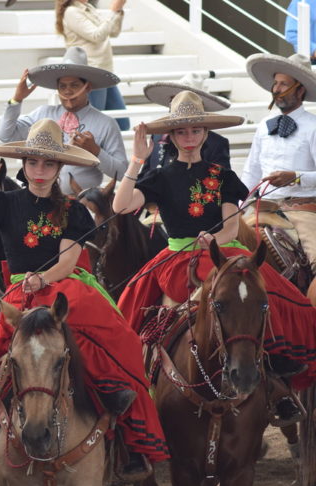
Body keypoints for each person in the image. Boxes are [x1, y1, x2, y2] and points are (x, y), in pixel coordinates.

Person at [0, 118, 169, 477]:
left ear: (59, 166)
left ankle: (117, 407)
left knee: (119, 337)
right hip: (21, 288)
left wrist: (43, 279)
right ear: (23, 165)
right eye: (33, 162)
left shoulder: (72, 209)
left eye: (48, 163)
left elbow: (68, 261)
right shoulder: (3, 203)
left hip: (63, 285)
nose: (40, 170)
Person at [113, 91, 316, 421]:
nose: (189, 138)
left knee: (276, 294)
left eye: (195, 131)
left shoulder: (223, 177)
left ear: (205, 134)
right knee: (127, 312)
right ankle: (139, 387)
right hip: (177, 258)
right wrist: (137, 160)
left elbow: (232, 228)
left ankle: (276, 370)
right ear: (172, 136)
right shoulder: (159, 177)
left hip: (222, 252)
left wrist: (213, 241)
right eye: (182, 131)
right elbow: (120, 206)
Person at [0, 46, 127, 195]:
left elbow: (122, 172)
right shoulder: (43, 114)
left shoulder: (106, 123)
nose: (67, 91)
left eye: (74, 85)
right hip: (40, 199)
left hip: (82, 205)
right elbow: (5, 136)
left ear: (88, 87)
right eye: (62, 86)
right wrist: (17, 99)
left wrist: (96, 151)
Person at [243, 52, 316, 274]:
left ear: (300, 89)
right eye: (275, 83)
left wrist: (295, 176)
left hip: (301, 210)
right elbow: (251, 171)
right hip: (262, 208)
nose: (276, 89)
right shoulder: (264, 125)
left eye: (283, 83)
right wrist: (236, 208)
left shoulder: (313, 125)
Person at [56, 0, 130, 130]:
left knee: (122, 123)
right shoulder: (72, 12)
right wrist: (113, 11)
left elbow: (112, 32)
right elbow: (96, 36)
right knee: (92, 125)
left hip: (104, 71)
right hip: (91, 73)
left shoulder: (88, 8)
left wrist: (118, 11)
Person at [141, 72, 231, 176]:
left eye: (187, 102)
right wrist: (137, 160)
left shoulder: (216, 143)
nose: (181, 107)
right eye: (176, 101)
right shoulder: (157, 137)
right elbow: (144, 178)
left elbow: (222, 184)